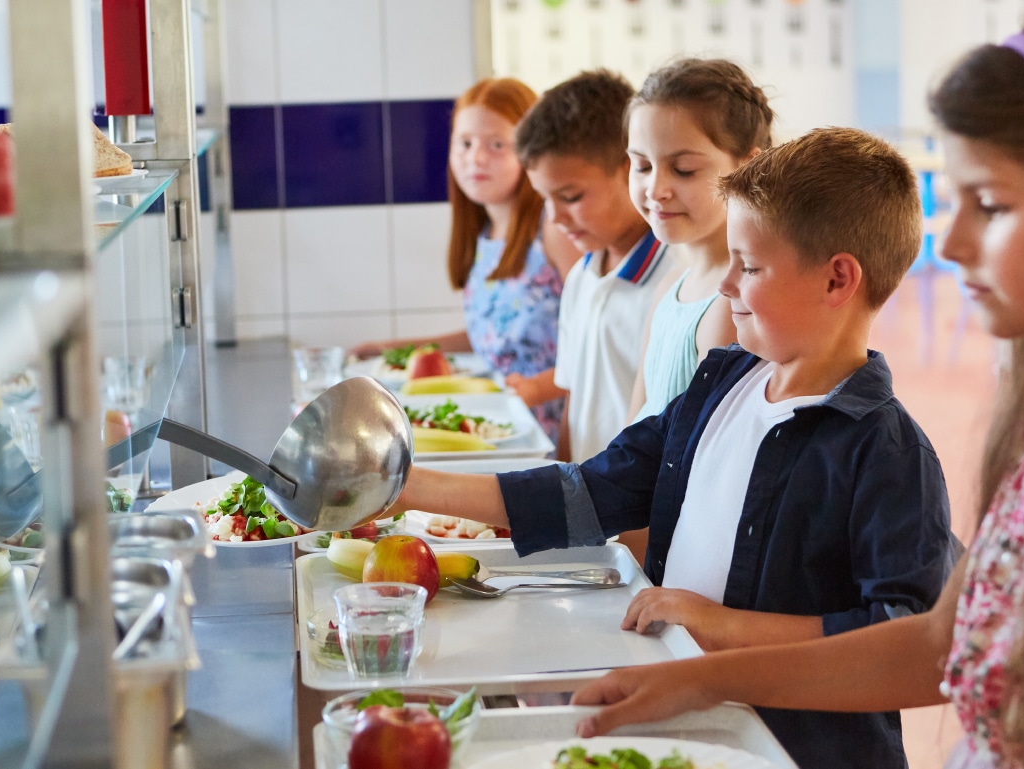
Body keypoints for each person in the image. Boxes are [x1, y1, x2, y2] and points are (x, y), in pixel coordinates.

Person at [570, 9, 1024, 769]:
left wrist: (712, 653)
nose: (952, 243)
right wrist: (696, 678)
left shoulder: (885, 443)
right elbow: (937, 644)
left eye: (989, 205)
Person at [393, 126, 957, 769]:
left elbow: (902, 642)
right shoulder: (721, 385)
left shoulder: (886, 451)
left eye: (750, 267)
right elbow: (589, 491)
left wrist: (719, 624)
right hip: (692, 730)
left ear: (837, 280)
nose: (726, 288)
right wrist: (403, 484)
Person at [350, 78, 579, 444]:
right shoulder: (486, 232)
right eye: (465, 143)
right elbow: (490, 339)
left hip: (546, 439)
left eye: (497, 144)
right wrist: (390, 350)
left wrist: (545, 406)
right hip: (501, 428)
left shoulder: (554, 228)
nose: (476, 158)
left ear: (532, 147)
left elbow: (597, 347)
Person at [513, 69, 671, 464]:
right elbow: (574, 401)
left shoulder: (677, 279)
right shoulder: (581, 278)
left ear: (631, 166)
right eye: (545, 199)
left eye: (571, 196)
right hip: (591, 514)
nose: (556, 218)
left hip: (642, 518)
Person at [625, 58, 770, 426]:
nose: (656, 190)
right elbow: (631, 431)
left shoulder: (732, 307)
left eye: (684, 170)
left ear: (746, 168)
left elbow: (700, 453)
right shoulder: (670, 287)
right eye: (642, 166)